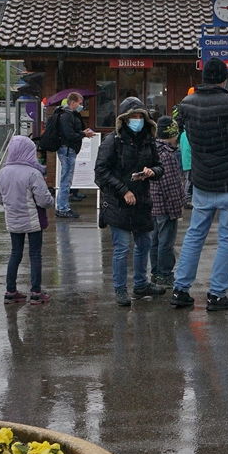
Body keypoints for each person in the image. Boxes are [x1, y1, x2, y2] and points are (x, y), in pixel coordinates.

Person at [170, 57, 228, 312]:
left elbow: (185, 131)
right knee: (226, 239)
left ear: (203, 78)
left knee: (195, 235)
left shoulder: (187, 105)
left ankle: (180, 290)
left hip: (202, 181)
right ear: (224, 79)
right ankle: (216, 295)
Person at [95, 97, 164, 307]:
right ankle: (120, 289)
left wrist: (152, 172)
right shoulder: (112, 141)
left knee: (144, 244)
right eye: (133, 117)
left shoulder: (148, 140)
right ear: (124, 119)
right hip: (118, 204)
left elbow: (158, 166)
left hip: (142, 201)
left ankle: (141, 283)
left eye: (140, 117)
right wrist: (123, 190)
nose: (137, 120)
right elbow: (101, 173)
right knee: (122, 248)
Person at [0, 135, 54, 305]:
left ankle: (10, 291)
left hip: (13, 219)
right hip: (33, 220)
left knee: (15, 254)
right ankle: (36, 292)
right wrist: (51, 202)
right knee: (35, 254)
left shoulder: (3, 173)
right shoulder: (33, 173)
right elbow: (43, 200)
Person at [149, 116, 185, 288]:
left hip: (152, 204)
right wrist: (178, 206)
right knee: (166, 241)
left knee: (154, 240)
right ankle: (165, 274)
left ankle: (156, 273)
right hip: (165, 205)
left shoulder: (152, 149)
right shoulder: (168, 155)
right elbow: (170, 184)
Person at [53, 92, 95, 219]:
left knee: (66, 179)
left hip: (69, 150)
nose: (82, 106)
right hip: (67, 150)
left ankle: (63, 207)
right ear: (73, 103)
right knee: (66, 179)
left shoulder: (72, 115)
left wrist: (82, 132)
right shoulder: (66, 116)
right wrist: (83, 134)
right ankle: (62, 208)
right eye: (80, 104)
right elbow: (70, 135)